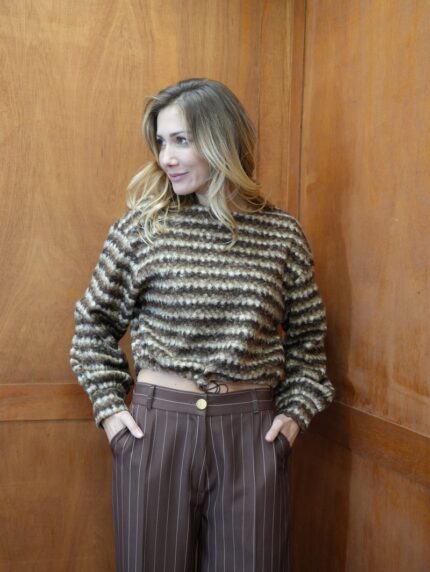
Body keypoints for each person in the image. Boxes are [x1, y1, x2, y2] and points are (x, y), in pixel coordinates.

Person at [69, 78, 335, 572]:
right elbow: (93, 327)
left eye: (181, 140)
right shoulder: (141, 229)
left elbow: (308, 341)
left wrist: (294, 415)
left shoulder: (282, 235)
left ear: (222, 140)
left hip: (252, 433)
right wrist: (110, 412)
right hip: (156, 431)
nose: (166, 157)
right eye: (161, 142)